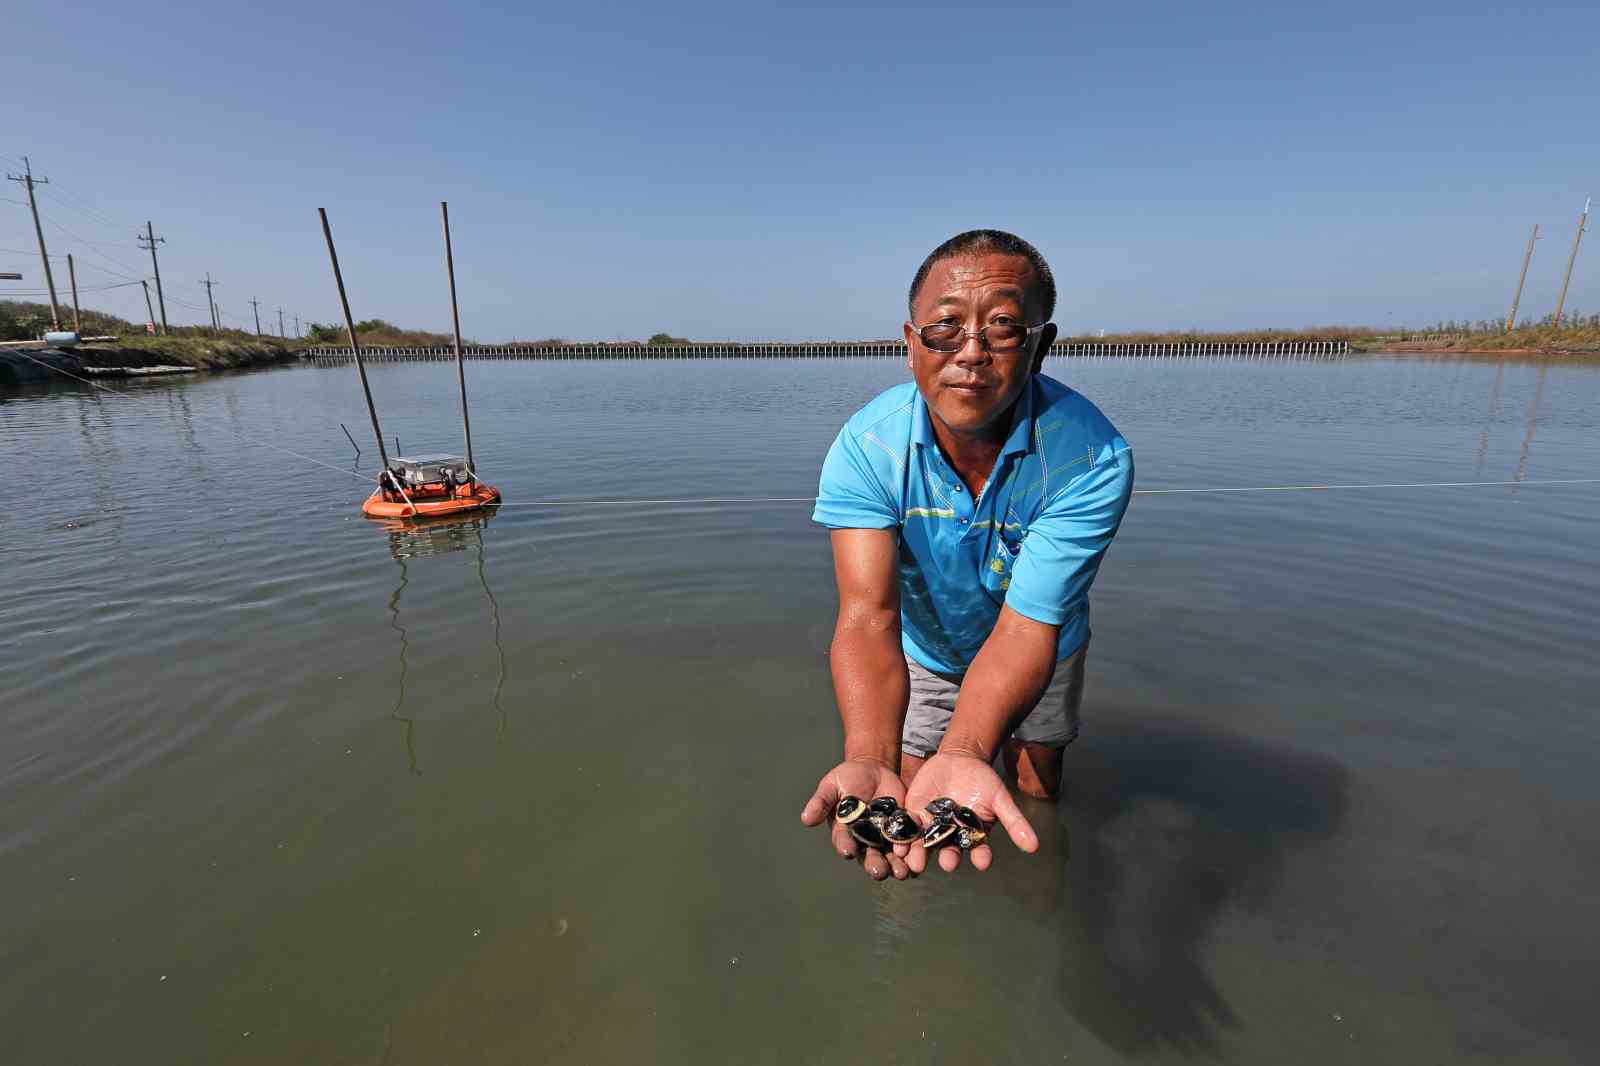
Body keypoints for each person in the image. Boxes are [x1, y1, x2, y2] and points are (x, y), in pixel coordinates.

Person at [799, 230, 1134, 880]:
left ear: (1041, 345)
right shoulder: (868, 449)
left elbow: (1027, 624)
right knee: (911, 795)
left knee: (1038, 777)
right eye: (945, 328)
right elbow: (868, 618)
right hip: (926, 650)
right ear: (910, 342)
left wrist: (971, 745)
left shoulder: (1089, 460)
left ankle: (1040, 874)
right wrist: (870, 751)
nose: (971, 353)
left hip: (1042, 642)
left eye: (1004, 327)